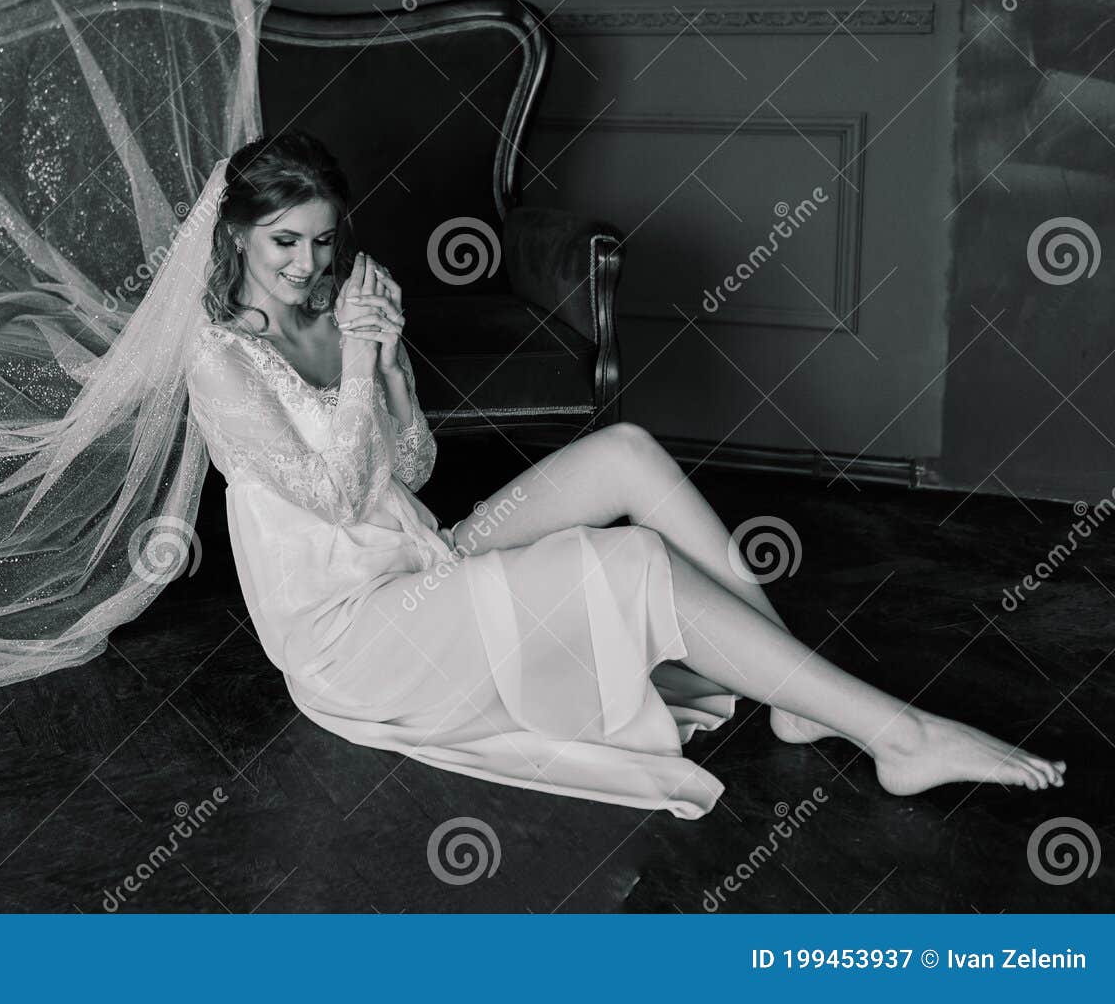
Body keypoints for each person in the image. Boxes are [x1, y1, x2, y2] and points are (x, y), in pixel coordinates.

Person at [182, 130, 1067, 819]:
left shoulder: (344, 306)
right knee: (629, 559)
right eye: (284, 243)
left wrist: (385, 362)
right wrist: (364, 355)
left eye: (325, 241)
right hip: (352, 634)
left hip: (419, 559)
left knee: (627, 452)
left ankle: (795, 693)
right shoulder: (217, 357)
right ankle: (899, 734)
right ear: (235, 235)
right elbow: (333, 499)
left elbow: (411, 466)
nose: (309, 266)